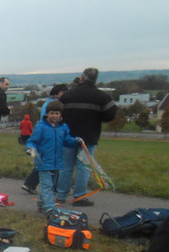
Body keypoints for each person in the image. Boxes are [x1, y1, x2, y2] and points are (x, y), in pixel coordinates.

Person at [56, 68, 117, 207]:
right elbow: (110, 115)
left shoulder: (68, 95)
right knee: (84, 167)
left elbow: (58, 113)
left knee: (66, 167)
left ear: (82, 78)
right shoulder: (101, 97)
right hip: (89, 137)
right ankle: (79, 197)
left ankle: (60, 196)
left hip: (68, 136)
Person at [25, 101, 81, 215]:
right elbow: (32, 141)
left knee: (49, 186)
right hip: (43, 162)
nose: (54, 116)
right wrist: (30, 148)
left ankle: (41, 204)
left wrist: (76, 141)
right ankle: (49, 208)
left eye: (57, 113)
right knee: (47, 186)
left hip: (57, 163)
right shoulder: (41, 127)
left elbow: (67, 141)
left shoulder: (63, 127)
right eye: (52, 113)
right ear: (47, 114)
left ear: (60, 114)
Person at [22, 84, 69, 194]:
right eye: (64, 92)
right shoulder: (53, 105)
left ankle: (35, 186)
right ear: (59, 92)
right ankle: (43, 189)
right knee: (45, 166)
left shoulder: (48, 103)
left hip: (48, 139)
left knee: (47, 165)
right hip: (47, 139)